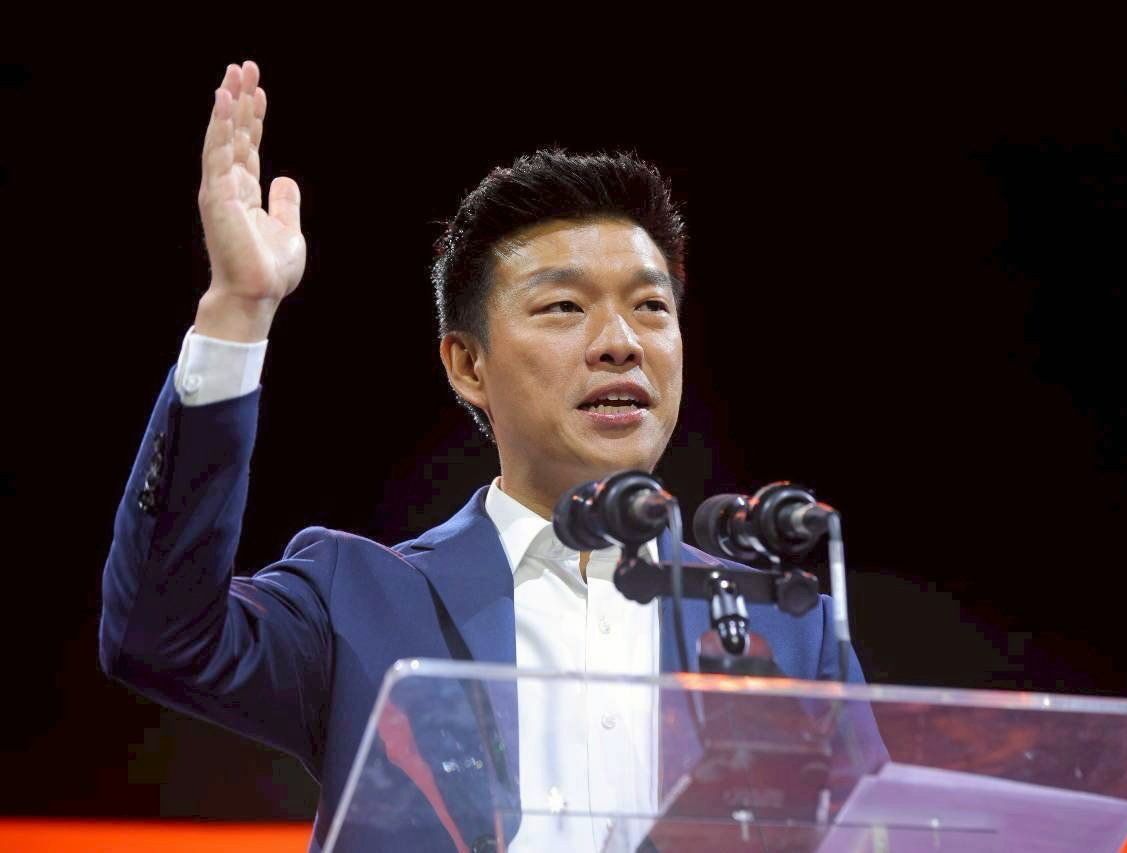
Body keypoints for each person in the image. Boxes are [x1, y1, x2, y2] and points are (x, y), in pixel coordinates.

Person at [99, 60, 880, 852]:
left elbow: (879, 833)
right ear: (468, 365)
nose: (621, 342)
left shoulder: (784, 627)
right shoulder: (363, 602)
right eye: (564, 306)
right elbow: (161, 636)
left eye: (651, 305)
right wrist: (237, 309)